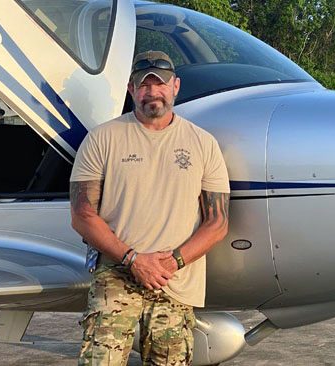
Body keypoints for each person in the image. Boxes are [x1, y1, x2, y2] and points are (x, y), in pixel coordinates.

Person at [70, 50, 230, 365]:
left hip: (175, 281)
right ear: (131, 89)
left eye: (161, 84)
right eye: (144, 85)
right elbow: (82, 214)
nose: (152, 92)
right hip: (116, 276)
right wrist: (133, 259)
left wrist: (172, 263)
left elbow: (218, 222)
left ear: (175, 87)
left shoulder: (203, 143)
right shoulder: (103, 138)